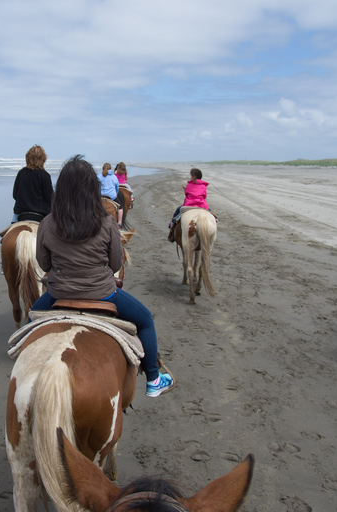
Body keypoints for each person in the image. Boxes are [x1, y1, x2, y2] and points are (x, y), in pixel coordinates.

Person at [31, 155, 174, 398]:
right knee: (146, 320)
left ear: (61, 189)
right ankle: (153, 378)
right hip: (103, 294)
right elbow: (115, 262)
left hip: (58, 295)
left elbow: (43, 262)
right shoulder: (107, 223)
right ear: (92, 189)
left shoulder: (47, 223)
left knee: (30, 322)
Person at [11, 145, 53, 223]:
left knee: (7, 233)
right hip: (41, 214)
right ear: (43, 159)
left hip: (20, 213)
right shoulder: (45, 175)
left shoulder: (21, 173)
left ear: (28, 158)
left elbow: (15, 195)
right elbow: (50, 198)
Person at [167, 167, 210, 242]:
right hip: (201, 205)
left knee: (177, 211)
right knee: (210, 212)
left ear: (194, 176)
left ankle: (172, 224)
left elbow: (186, 194)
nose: (190, 177)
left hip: (189, 204)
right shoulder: (203, 185)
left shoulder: (189, 185)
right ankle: (215, 220)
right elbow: (204, 196)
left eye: (191, 175)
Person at [98, 162, 124, 227]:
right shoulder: (114, 177)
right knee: (120, 208)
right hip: (111, 197)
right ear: (111, 169)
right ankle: (120, 222)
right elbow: (117, 188)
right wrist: (116, 194)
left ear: (102, 169)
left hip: (100, 196)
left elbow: (95, 187)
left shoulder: (98, 176)